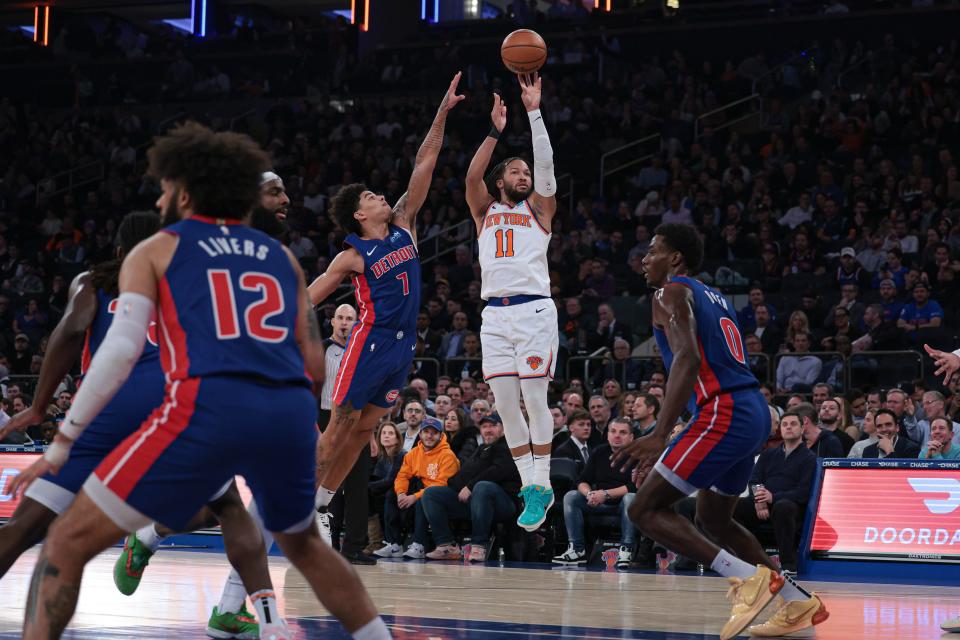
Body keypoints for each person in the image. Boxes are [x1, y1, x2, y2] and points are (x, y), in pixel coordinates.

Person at [7, 123, 389, 640]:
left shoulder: (159, 248)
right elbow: (313, 361)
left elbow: (119, 351)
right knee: (305, 544)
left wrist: (63, 442)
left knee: (66, 543)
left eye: (165, 187)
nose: (162, 197)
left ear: (186, 192)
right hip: (288, 414)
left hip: (207, 406)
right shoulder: (280, 258)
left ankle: (150, 544)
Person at [109, 174, 337, 635]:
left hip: (257, 396)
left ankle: (225, 603)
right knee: (228, 505)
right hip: (195, 397)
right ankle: (161, 548)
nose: (288, 199)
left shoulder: (277, 258)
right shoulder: (200, 250)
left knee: (248, 504)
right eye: (274, 191)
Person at [612, 224, 827, 640]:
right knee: (713, 517)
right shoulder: (716, 296)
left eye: (653, 251)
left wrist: (659, 436)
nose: (644, 259)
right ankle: (797, 600)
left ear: (675, 258)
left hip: (724, 410)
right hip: (750, 412)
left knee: (643, 509)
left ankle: (747, 578)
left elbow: (689, 360)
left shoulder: (668, 292)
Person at [307, 73, 464, 540]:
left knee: (363, 433)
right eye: (372, 197)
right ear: (359, 213)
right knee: (339, 427)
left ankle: (321, 504)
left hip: (403, 345)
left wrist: (441, 113)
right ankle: (298, 503)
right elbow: (309, 297)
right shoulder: (352, 255)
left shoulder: (404, 225)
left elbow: (426, 160)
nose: (381, 197)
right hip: (369, 342)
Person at [0, 213, 164, 579]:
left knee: (23, 528)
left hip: (102, 415)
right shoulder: (183, 290)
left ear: (119, 249)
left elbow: (73, 327)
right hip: (164, 416)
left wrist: (39, 406)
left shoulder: (93, 282)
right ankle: (149, 538)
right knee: (223, 506)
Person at [465, 72, 559, 533]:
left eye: (525, 172)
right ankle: (531, 487)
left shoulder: (538, 211)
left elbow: (546, 166)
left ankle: (542, 478)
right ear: (501, 180)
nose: (524, 175)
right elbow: (471, 176)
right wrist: (494, 131)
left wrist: (534, 111)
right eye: (515, 171)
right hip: (494, 315)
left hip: (534, 310)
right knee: (504, 406)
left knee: (534, 397)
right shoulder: (484, 211)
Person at [420, 413, 521, 561]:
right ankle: (446, 546)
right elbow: (465, 472)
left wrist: (470, 486)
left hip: (504, 504)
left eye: (492, 426)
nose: (487, 430)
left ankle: (479, 546)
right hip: (475, 503)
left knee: (483, 486)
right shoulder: (481, 448)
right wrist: (453, 485)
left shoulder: (509, 446)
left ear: (503, 429)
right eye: (484, 426)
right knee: (431, 494)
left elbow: (498, 471)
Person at [733, 411, 817, 573]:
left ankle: (788, 564)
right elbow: (754, 480)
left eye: (793, 424)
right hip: (764, 501)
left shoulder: (809, 457)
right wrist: (760, 499)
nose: (788, 428)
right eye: (785, 424)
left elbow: (803, 492)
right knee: (737, 507)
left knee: (783, 507)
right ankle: (745, 558)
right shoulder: (769, 453)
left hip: (792, 505)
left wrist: (773, 497)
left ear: (802, 428)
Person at [552, 418, 639, 568]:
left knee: (630, 498)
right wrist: (589, 494)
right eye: (613, 431)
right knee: (571, 496)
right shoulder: (599, 452)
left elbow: (635, 486)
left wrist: (605, 494)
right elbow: (582, 480)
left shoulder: (638, 455)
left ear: (631, 437)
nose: (617, 435)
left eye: (623, 432)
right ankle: (576, 550)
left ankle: (626, 549)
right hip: (599, 502)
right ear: (607, 435)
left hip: (623, 505)